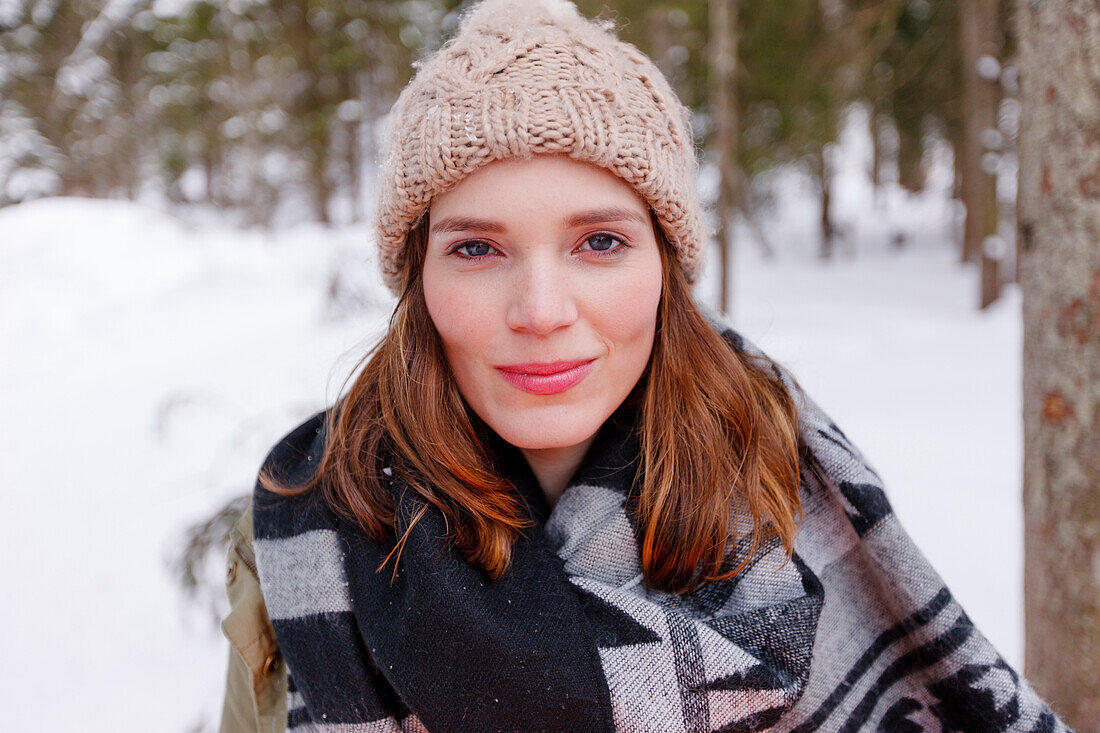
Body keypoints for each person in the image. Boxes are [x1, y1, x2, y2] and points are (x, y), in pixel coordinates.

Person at [218, 1, 1072, 731]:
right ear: (419, 280)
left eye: (600, 242)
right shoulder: (313, 524)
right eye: (476, 248)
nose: (542, 309)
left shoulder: (792, 491)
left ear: (665, 265)